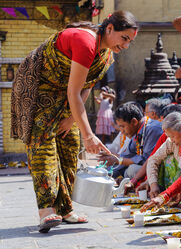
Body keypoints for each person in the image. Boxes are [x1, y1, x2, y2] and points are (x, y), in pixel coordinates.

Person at [10, 11, 138, 233]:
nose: (126, 45)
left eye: (130, 41)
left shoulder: (106, 56)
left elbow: (85, 88)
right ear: (109, 29)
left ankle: (66, 209)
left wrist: (72, 120)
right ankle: (46, 211)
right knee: (44, 147)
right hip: (38, 89)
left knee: (70, 145)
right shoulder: (84, 41)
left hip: (66, 94)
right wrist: (89, 135)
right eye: (124, 38)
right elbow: (74, 91)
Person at [139, 112, 181, 209]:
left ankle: (177, 195)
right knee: (165, 159)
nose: (171, 140)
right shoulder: (171, 142)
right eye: (169, 137)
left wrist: (167, 194)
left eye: (172, 136)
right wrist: (153, 185)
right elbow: (153, 160)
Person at [98, 102, 162, 178]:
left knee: (132, 169)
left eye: (122, 126)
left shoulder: (153, 129)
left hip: (157, 168)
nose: (121, 131)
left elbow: (146, 159)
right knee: (108, 168)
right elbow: (128, 155)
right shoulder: (138, 131)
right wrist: (112, 158)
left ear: (134, 122)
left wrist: (119, 160)